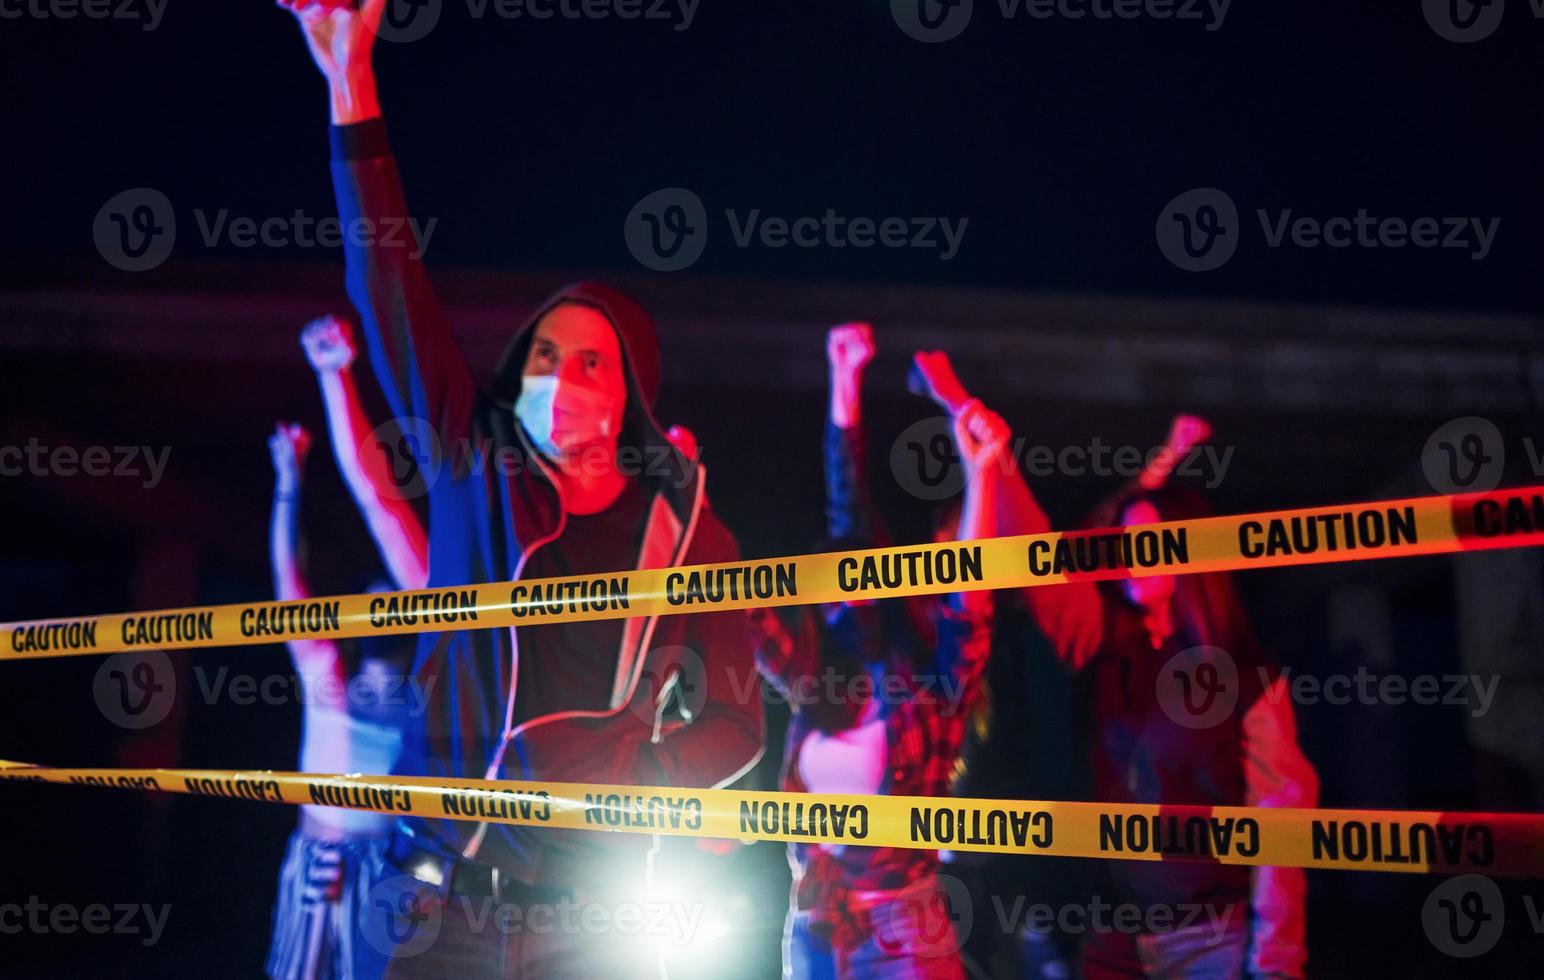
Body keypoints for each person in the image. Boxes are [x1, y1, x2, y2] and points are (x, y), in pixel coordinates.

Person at [278, 2, 764, 975]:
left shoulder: (685, 534)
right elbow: (386, 284)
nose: (557, 376)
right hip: (431, 898)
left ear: (631, 391)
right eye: (543, 354)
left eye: (588, 360)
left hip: (593, 919)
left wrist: (644, 778)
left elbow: (737, 723)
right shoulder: (473, 460)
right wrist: (351, 84)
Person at [987, 413, 1319, 979]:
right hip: (1115, 935)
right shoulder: (1104, 650)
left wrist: (1274, 963)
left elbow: (1280, 827)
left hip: (1211, 936)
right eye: (1124, 543)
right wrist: (992, 457)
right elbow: (1053, 557)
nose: (1130, 554)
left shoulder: (1246, 679)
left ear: (1188, 553)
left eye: (1150, 540)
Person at [752, 323, 1013, 978]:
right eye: (828, 593)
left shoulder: (933, 684)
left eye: (851, 589)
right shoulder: (818, 675)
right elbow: (746, 609)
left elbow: (970, 607)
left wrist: (983, 479)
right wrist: (843, 381)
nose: (838, 601)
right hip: (814, 918)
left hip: (903, 927)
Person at [264, 417, 416, 980]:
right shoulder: (328, 677)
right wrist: (289, 479)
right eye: (372, 605)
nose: (382, 612)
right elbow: (288, 583)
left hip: (384, 864)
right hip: (316, 854)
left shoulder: (428, 697)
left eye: (392, 604)